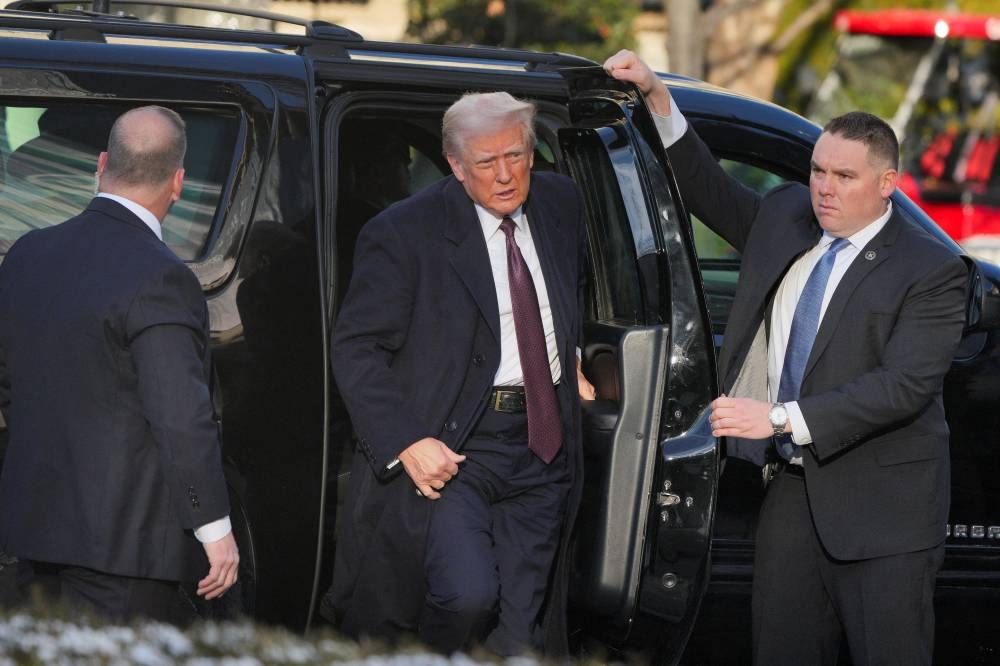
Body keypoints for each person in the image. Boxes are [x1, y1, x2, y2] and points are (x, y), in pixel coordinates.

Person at [605, 51, 968, 665]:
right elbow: (708, 189)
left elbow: (902, 387)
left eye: (844, 177)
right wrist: (659, 99)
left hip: (884, 512)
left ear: (887, 184)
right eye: (818, 170)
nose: (824, 187)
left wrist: (775, 418)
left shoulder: (931, 270)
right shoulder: (787, 216)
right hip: (792, 499)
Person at [328, 91, 594, 656]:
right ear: (453, 165)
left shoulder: (561, 203)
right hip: (456, 448)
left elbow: (563, 294)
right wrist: (406, 440)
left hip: (544, 447)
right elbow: (356, 347)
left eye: (516, 156)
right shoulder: (404, 232)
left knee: (520, 634)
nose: (505, 176)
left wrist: (567, 355)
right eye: (485, 162)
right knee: (467, 595)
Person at [0, 105, 239, 624]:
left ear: (102, 163)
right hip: (124, 551)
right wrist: (214, 530)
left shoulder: (26, 254)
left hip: (32, 535)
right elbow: (180, 415)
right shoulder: (160, 277)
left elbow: (11, 387)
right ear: (178, 182)